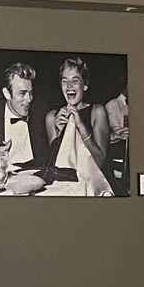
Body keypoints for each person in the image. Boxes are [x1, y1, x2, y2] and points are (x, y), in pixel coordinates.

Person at [44, 56, 115, 195]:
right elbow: (52, 166)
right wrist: (58, 132)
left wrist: (81, 125)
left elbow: (101, 162)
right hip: (62, 185)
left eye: (75, 81)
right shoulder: (52, 117)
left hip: (92, 185)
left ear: (85, 85)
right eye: (65, 81)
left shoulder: (97, 111)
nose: (69, 85)